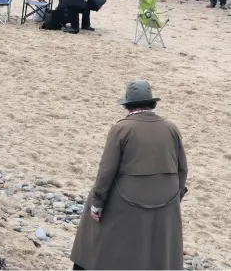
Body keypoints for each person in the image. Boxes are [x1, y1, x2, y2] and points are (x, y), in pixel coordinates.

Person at [70, 79, 187, 270]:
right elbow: (183, 169)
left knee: (93, 222)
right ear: (152, 103)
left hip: (128, 200)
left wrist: (97, 204)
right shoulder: (171, 128)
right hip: (166, 201)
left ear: (127, 105)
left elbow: (106, 171)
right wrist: (175, 198)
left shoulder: (121, 128)